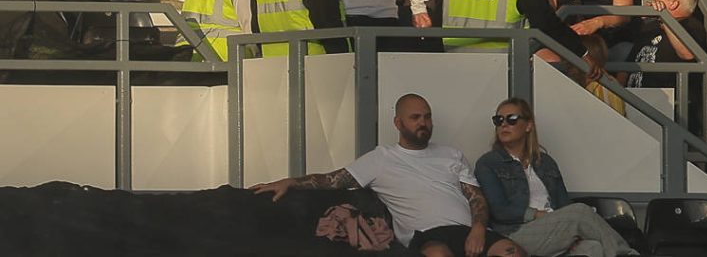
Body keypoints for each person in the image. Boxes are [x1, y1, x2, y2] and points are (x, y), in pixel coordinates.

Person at [256, 94, 490, 257]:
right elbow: (333, 180)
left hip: (471, 231)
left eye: (427, 117)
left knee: (513, 252)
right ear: (398, 123)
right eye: (415, 118)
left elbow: (476, 198)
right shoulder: (380, 159)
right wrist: (291, 182)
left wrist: (478, 229)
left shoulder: (452, 155)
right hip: (429, 237)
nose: (423, 123)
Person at [473, 97, 638, 256]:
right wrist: (538, 215)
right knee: (580, 211)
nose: (504, 125)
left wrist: (567, 229)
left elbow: (563, 203)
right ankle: (626, 254)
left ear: (528, 125)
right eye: (498, 120)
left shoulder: (545, 162)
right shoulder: (488, 163)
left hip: (553, 229)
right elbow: (499, 210)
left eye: (512, 119)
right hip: (515, 233)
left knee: (593, 248)